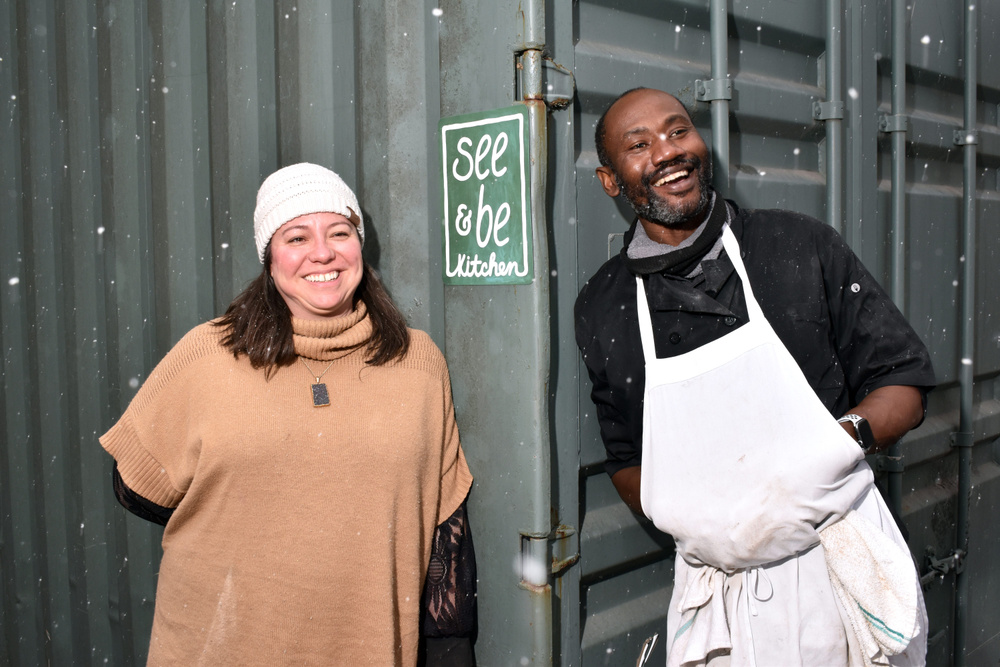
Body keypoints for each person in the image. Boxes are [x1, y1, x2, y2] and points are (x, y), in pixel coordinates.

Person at [575, 88, 936, 665]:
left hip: (835, 568)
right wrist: (698, 515)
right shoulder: (603, 304)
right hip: (717, 601)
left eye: (678, 131)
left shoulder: (796, 246)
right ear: (611, 181)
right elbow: (624, 454)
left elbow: (904, 383)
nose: (668, 152)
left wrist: (833, 446)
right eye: (639, 145)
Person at [101, 163, 476, 666]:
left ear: (358, 245)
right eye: (296, 236)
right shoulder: (208, 355)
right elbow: (133, 485)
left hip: (364, 649)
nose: (322, 252)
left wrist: (452, 649)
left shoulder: (418, 362)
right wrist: (251, 526)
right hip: (220, 648)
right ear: (269, 257)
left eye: (339, 232)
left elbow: (444, 521)